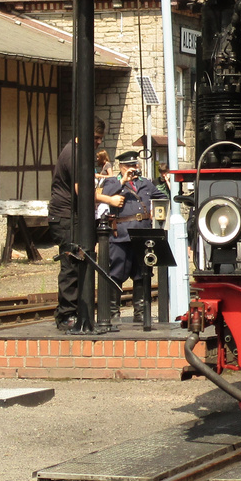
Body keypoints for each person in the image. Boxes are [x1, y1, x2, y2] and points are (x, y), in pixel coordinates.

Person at [48, 119, 103, 332]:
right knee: (71, 265)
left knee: (79, 264)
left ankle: (75, 312)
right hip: (66, 217)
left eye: (100, 138)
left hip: (71, 217)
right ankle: (66, 315)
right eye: (96, 138)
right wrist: (108, 199)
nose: (98, 142)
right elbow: (83, 190)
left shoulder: (77, 152)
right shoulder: (75, 154)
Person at [102, 150, 161, 325]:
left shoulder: (146, 184)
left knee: (141, 273)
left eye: (135, 166)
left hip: (141, 234)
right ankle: (113, 313)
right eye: (130, 166)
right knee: (116, 273)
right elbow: (106, 195)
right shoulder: (112, 182)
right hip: (120, 234)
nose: (133, 169)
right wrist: (122, 180)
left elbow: (162, 198)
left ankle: (140, 312)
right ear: (122, 167)